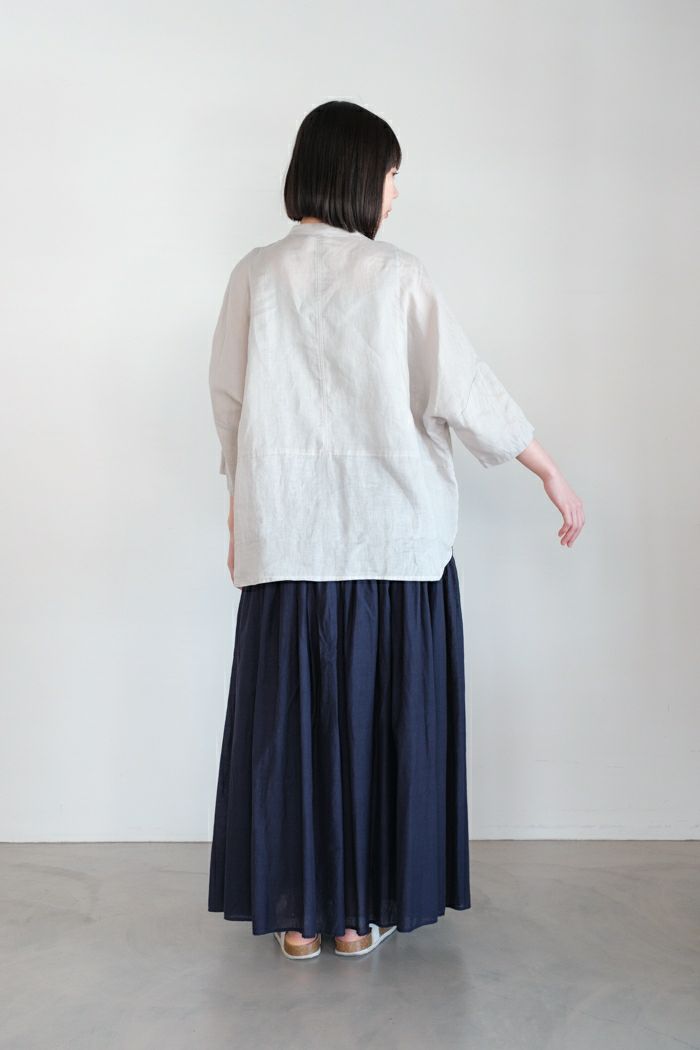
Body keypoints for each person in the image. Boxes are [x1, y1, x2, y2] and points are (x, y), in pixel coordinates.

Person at [207, 100, 585, 961]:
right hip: (393, 546)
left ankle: (298, 920)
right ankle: (354, 921)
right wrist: (548, 470)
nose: (394, 193)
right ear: (357, 177)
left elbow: (231, 408)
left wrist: (239, 518)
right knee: (379, 730)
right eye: (389, 175)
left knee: (293, 735)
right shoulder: (398, 276)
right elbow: (467, 391)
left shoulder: (255, 276)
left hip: (289, 542)